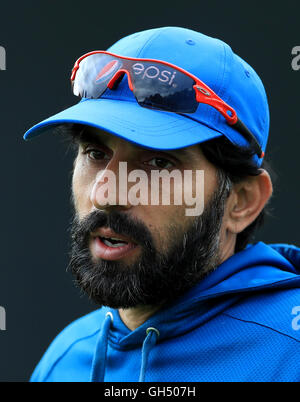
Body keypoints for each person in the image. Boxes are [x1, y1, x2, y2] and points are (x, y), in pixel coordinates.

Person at [24, 26, 300, 382]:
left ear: (242, 202)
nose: (106, 194)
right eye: (95, 153)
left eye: (158, 163)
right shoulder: (65, 360)